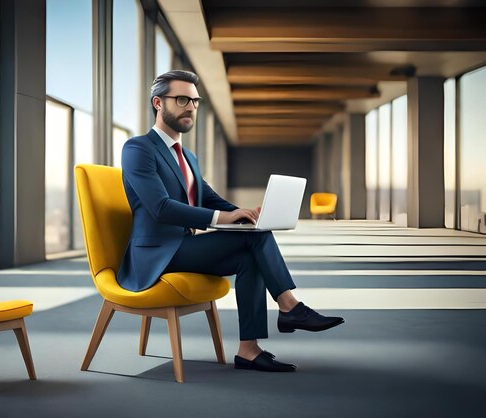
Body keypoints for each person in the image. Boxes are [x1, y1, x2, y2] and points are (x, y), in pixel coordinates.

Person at [119, 70, 344, 372]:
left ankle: (248, 350)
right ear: (158, 103)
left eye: (195, 101)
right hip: (155, 254)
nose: (191, 107)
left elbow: (208, 197)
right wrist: (225, 218)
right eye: (182, 99)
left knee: (250, 252)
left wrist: (246, 214)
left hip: (183, 246)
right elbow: (161, 208)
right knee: (253, 239)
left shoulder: (187, 157)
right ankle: (290, 307)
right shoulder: (138, 148)